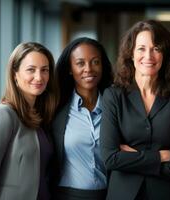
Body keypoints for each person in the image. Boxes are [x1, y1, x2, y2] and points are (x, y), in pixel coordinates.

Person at [100, 19, 170, 200]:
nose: (148, 56)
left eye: (156, 48)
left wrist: (133, 157)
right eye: (141, 48)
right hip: (122, 194)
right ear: (131, 54)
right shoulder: (113, 96)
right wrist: (158, 156)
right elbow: (110, 158)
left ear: (165, 55)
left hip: (165, 194)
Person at [0, 42, 58, 200]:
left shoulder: (41, 116)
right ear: (14, 75)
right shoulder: (4, 116)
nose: (39, 77)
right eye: (31, 70)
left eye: (44, 70)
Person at [51, 37, 113, 200]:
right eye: (80, 63)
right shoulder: (56, 110)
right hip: (67, 195)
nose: (89, 69)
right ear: (70, 68)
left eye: (95, 62)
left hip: (110, 194)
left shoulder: (115, 108)